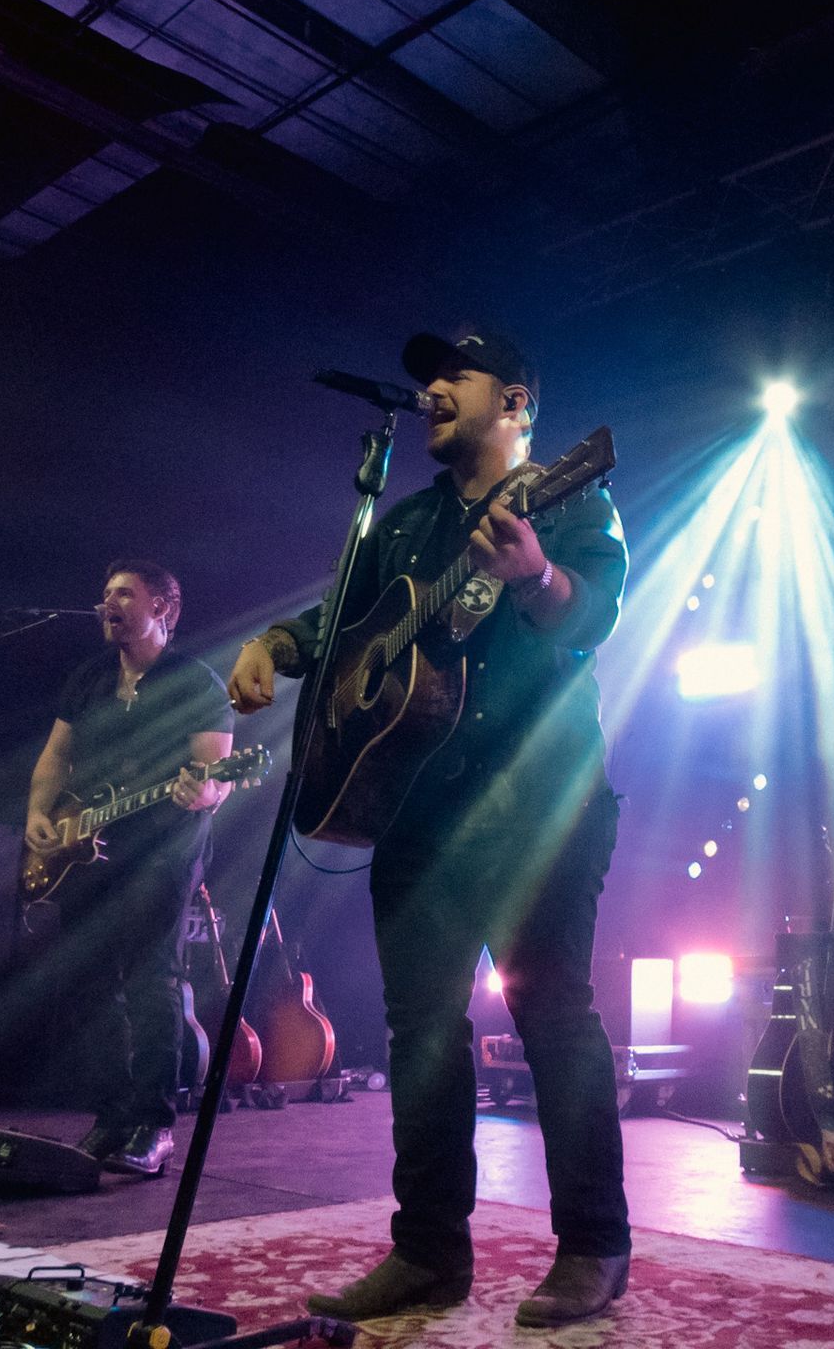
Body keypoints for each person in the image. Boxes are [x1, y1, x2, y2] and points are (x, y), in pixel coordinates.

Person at [227, 326, 631, 1327]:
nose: (436, 388)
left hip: (542, 804)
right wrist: (276, 643)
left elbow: (598, 619)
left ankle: (593, 1245)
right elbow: (342, 627)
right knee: (418, 1036)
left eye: (459, 373)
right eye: (428, 377)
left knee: (553, 1015)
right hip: (418, 808)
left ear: (518, 404)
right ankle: (428, 1253)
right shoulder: (402, 525)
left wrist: (537, 576)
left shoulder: (575, 493)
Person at [25, 559, 234, 1176]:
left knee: (151, 981)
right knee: (89, 982)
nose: (106, 603)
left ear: (162, 608)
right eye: (104, 593)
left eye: (122, 593)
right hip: (85, 847)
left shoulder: (195, 681)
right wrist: (40, 813)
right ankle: (111, 1117)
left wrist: (206, 792)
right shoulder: (89, 677)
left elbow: (217, 774)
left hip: (164, 850)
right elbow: (55, 758)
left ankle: (153, 1123)